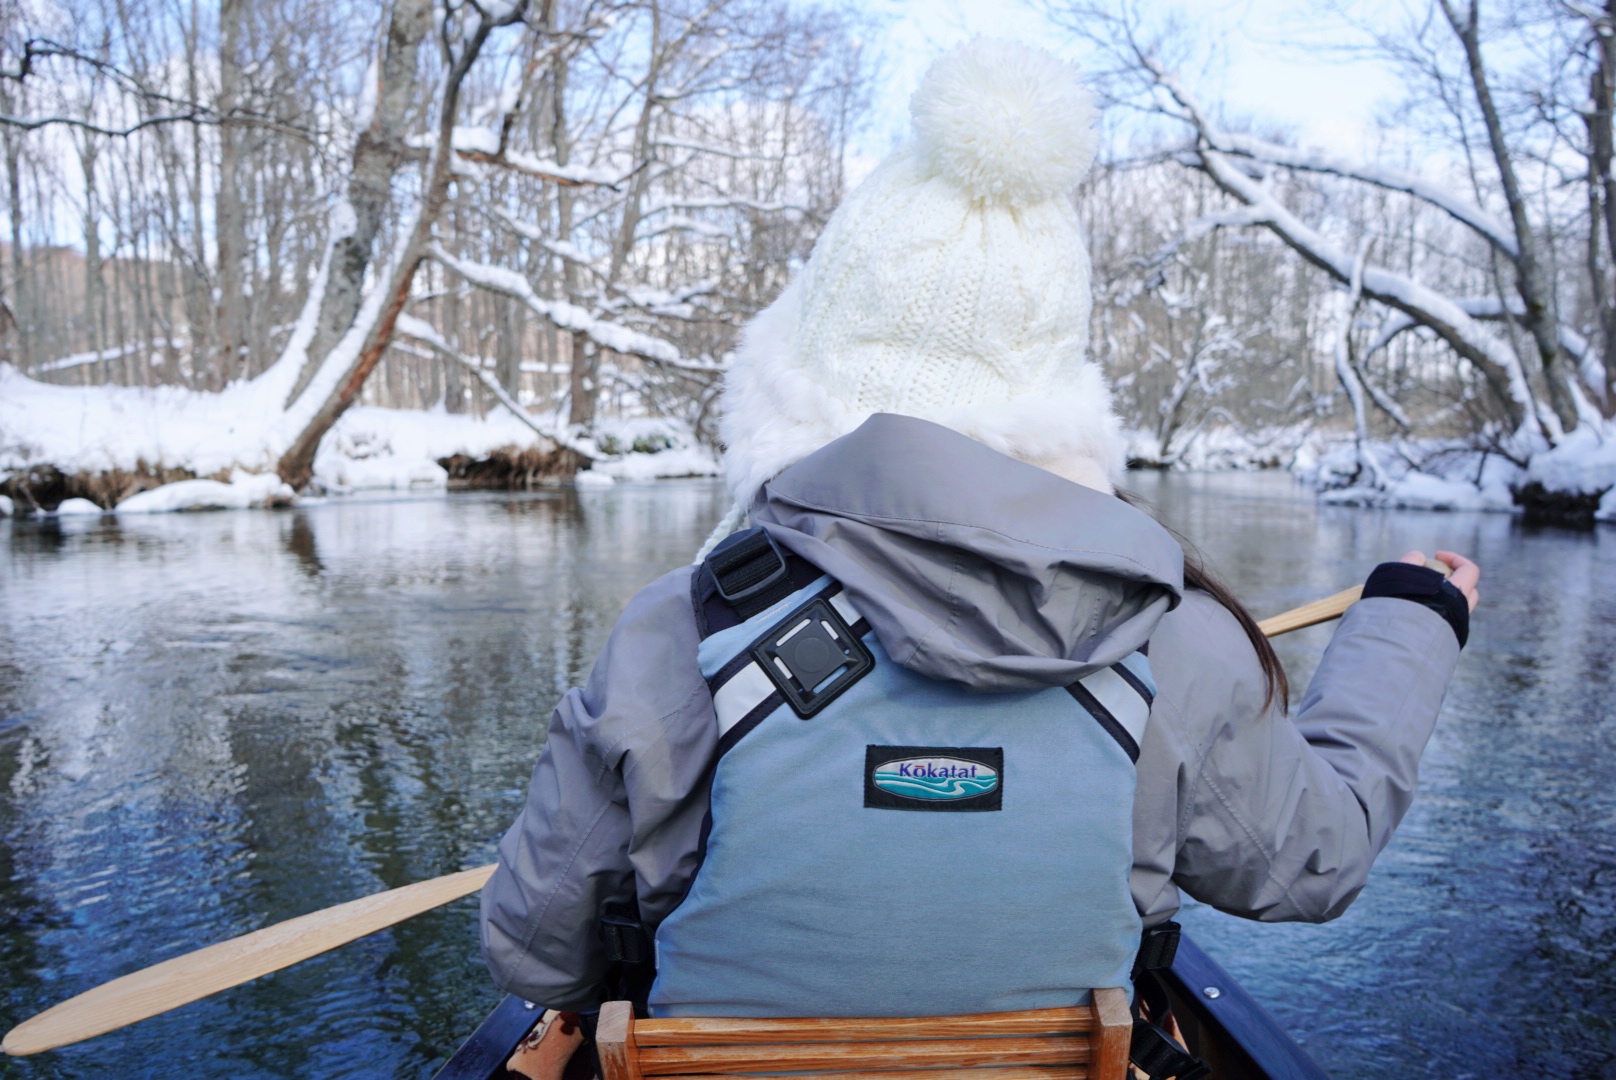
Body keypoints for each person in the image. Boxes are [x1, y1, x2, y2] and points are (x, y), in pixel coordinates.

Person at [480, 36, 1478, 1043]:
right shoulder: (1173, 639)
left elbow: (538, 957)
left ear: (800, 374)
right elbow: (1313, 865)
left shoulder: (677, 631)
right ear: (1056, 397)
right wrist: (1411, 618)